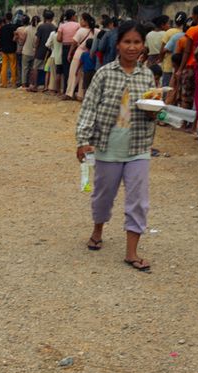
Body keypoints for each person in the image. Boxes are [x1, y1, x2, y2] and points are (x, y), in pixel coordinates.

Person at [76, 20, 156, 272]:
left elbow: (153, 108)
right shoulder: (104, 73)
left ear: (143, 46)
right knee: (103, 195)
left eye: (137, 42)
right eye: (127, 42)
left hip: (138, 147)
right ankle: (98, 229)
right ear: (118, 44)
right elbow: (89, 108)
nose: (132, 47)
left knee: (138, 200)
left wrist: (156, 111)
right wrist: (83, 141)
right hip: (107, 146)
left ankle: (131, 252)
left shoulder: (148, 75)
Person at [63, 13, 94, 101]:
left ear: (85, 21)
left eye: (82, 20)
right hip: (90, 54)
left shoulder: (81, 30)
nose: (80, 21)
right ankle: (80, 95)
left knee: (73, 73)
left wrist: (69, 53)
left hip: (79, 53)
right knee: (83, 75)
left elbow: (74, 42)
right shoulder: (95, 31)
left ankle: (69, 93)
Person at [27, 10, 55, 91]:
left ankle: (35, 86)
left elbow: (37, 39)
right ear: (52, 18)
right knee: (47, 69)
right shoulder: (54, 27)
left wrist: (35, 48)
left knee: (35, 67)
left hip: (40, 50)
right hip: (49, 51)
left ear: (44, 18)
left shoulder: (41, 27)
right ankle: (46, 86)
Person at [159, 12, 185, 87]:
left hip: (168, 66)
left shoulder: (169, 32)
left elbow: (162, 50)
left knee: (166, 89)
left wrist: (160, 60)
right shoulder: (187, 32)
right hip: (182, 67)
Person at [56, 9, 79, 90]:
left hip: (65, 47)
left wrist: (65, 39)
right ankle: (75, 89)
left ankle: (66, 89)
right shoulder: (78, 25)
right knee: (75, 68)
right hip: (75, 47)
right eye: (75, 15)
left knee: (66, 68)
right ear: (72, 16)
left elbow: (58, 39)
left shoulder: (62, 25)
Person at [18, 16, 38, 88]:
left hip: (26, 51)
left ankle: (23, 84)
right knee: (32, 69)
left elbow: (23, 40)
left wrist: (21, 45)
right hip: (34, 52)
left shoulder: (27, 29)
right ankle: (30, 83)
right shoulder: (38, 29)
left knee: (24, 68)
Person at [0, 12, 18, 88]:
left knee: (4, 66)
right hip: (12, 49)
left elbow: (0, 40)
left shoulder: (2, 28)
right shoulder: (14, 27)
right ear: (12, 17)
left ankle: (4, 83)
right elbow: (15, 38)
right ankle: (13, 83)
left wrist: (1, 47)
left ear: (5, 18)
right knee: (13, 66)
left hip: (4, 49)